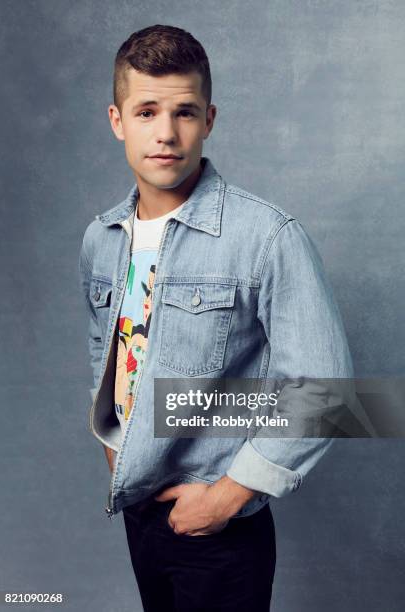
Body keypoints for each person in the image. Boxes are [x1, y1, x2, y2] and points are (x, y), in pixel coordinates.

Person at [78, 24, 353, 612]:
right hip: (140, 511)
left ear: (209, 119)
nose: (167, 132)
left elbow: (326, 393)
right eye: (147, 111)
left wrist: (228, 496)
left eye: (185, 111)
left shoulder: (266, 237)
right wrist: (113, 441)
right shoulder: (101, 238)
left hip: (219, 525)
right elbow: (110, 347)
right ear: (116, 120)